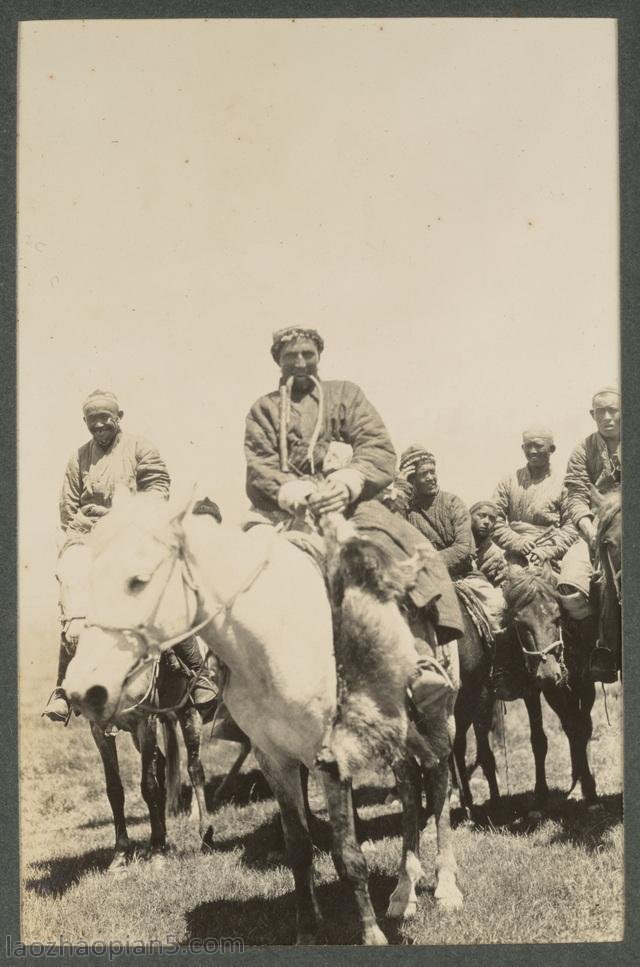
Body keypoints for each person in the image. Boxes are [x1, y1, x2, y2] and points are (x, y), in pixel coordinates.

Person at [244, 327, 465, 727]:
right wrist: (288, 489)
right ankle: (238, 693)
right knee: (249, 571)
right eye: (290, 356)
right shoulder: (263, 410)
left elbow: (377, 447)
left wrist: (349, 481)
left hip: (353, 504)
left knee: (394, 553)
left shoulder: (347, 395)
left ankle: (419, 663)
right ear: (276, 359)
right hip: (288, 510)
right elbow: (259, 464)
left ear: (319, 355)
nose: (299, 363)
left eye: (307, 354)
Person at [42, 390, 217, 722]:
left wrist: (131, 517)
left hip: (130, 533)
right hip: (92, 537)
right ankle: (63, 690)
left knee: (157, 595)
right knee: (73, 596)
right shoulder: (78, 458)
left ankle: (199, 677)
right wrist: (81, 530)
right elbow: (68, 508)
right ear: (86, 425)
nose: (100, 429)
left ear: (119, 416)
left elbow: (158, 485)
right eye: (93, 425)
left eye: (105, 421)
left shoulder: (140, 447)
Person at [557, 387, 621, 682]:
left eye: (613, 410)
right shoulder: (583, 450)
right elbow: (575, 495)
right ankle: (600, 652)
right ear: (592, 415)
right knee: (570, 585)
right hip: (594, 527)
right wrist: (588, 526)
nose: (607, 417)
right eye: (600, 412)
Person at [492, 427, 578, 568]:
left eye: (538, 446)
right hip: (514, 554)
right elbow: (494, 520)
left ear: (552, 449)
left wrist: (547, 551)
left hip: (551, 553)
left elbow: (572, 527)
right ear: (522, 448)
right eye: (528, 446)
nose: (532, 451)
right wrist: (516, 542)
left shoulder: (565, 484)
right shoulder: (509, 481)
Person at [399, 447, 475, 579]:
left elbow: (462, 548)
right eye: (423, 474)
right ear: (411, 479)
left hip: (462, 576)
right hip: (421, 579)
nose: (430, 478)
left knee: (492, 599)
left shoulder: (452, 502)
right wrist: (401, 488)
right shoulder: (406, 509)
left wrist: (423, 563)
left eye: (432, 472)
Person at [469, 500, 507, 586]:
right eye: (482, 516)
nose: (487, 522)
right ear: (470, 517)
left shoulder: (494, 554)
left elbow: (501, 585)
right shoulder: (455, 540)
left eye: (492, 518)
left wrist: (483, 581)